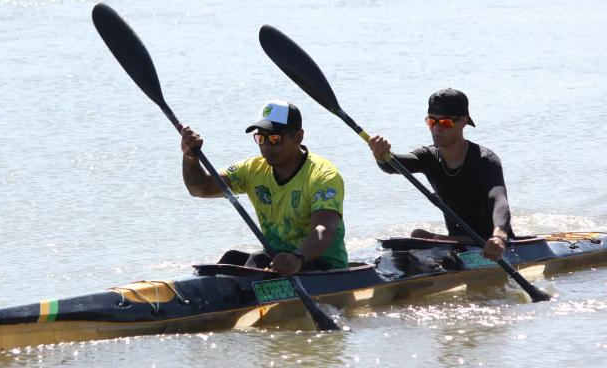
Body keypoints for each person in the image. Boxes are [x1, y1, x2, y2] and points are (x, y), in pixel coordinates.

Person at [180, 99, 348, 275]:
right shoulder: (253, 170)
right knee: (232, 259)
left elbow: (324, 230)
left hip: (323, 266)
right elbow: (200, 188)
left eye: (275, 139)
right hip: (277, 260)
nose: (266, 146)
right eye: (260, 138)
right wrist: (191, 157)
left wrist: (297, 257)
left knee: (258, 261)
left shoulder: (323, 176)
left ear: (298, 137)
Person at [368, 88, 513, 261]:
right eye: (431, 121)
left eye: (445, 123)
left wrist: (499, 234)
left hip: (491, 242)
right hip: (455, 242)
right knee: (417, 234)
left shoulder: (485, 160)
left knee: (433, 239)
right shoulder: (427, 156)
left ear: (463, 122)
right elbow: (393, 166)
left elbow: (499, 200)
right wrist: (381, 156)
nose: (436, 129)